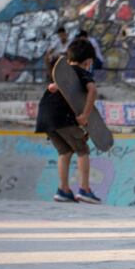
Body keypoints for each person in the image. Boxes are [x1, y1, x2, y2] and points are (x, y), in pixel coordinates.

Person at [35, 38, 102, 204]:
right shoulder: (82, 72)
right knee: (82, 149)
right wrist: (85, 116)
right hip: (61, 116)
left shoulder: (63, 72)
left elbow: (53, 88)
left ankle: (63, 190)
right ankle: (84, 189)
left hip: (45, 117)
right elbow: (92, 91)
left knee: (65, 151)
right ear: (88, 62)